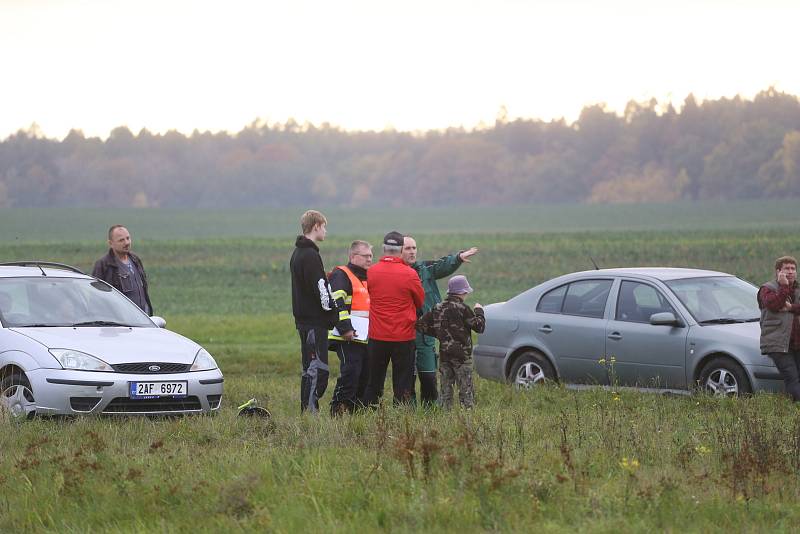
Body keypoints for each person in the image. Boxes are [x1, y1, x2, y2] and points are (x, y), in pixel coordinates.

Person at [402, 235, 478, 405]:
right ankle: (407, 411)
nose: (412, 251)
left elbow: (443, 265)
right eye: (408, 248)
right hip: (403, 332)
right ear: (398, 251)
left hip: (425, 332)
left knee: (429, 375)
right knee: (407, 375)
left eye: (414, 248)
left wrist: (458, 258)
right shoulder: (395, 273)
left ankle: (431, 411)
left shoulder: (425, 268)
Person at [363, 231, 424, 406]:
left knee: (374, 380)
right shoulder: (410, 274)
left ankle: (369, 411)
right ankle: (401, 415)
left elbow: (370, 294)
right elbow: (420, 301)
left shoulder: (372, 272)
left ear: (383, 249)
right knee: (403, 381)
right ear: (400, 250)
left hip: (377, 335)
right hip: (403, 336)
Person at [290, 210, 338, 413]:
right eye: (324, 226)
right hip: (313, 323)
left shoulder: (298, 253)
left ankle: (309, 410)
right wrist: (332, 314)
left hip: (304, 321)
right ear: (316, 226)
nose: (325, 231)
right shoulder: (310, 255)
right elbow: (321, 288)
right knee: (317, 370)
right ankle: (310, 412)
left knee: (311, 367)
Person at [416, 275, 485, 409]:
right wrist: (479, 311)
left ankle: (445, 418)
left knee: (445, 391)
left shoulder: (437, 308)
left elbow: (420, 325)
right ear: (462, 292)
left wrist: (438, 333)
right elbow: (479, 327)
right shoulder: (463, 309)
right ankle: (466, 420)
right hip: (462, 357)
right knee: (466, 392)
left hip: (445, 355)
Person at [328, 240, 373, 415]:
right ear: (353, 256)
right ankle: (337, 410)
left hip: (366, 337)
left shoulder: (369, 276)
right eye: (366, 256)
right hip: (346, 336)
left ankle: (356, 413)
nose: (370, 259)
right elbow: (336, 303)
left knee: (365, 376)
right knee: (351, 373)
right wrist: (345, 328)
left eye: (371, 256)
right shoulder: (342, 274)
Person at [757, 255, 800, 401]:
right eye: (786, 268)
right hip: (778, 343)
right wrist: (784, 286)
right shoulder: (767, 289)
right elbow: (774, 304)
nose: (790, 271)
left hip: (796, 343)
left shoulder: (798, 289)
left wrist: (792, 307)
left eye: (793, 268)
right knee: (792, 378)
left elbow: (789, 307)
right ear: (778, 272)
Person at [92, 225, 154, 315]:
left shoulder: (135, 259)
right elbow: (96, 297)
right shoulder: (103, 265)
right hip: (120, 321)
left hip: (142, 319)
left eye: (128, 238)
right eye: (121, 240)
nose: (127, 243)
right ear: (110, 243)